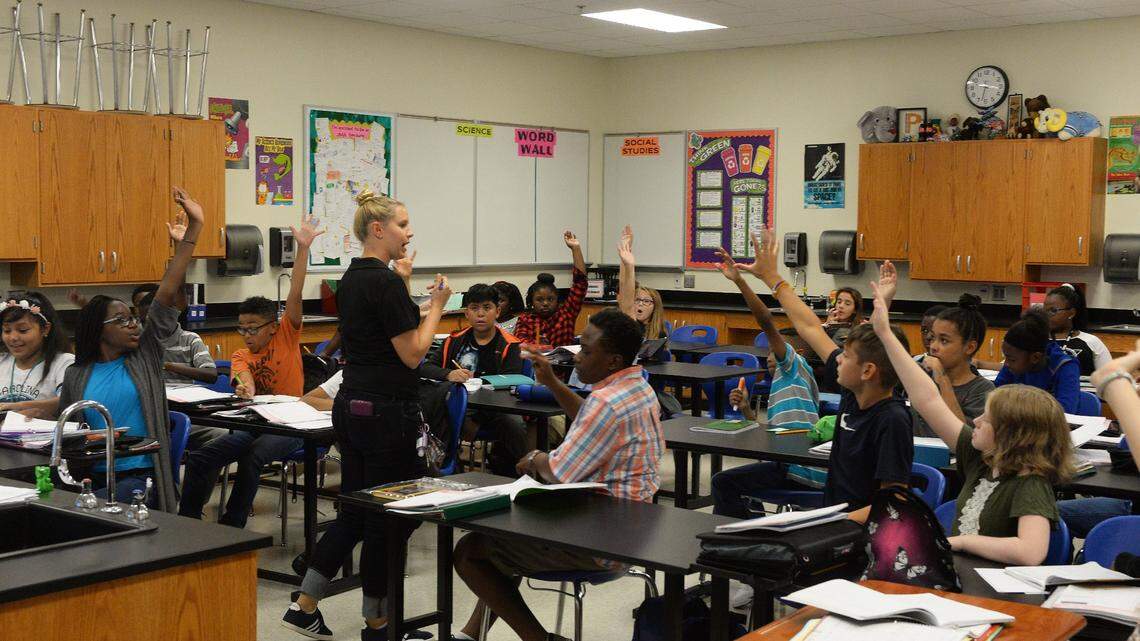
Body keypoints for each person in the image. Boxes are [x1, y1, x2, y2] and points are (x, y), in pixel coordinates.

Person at [282, 189, 452, 641]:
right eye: (402, 224)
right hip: (386, 416)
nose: (409, 232)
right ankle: (379, 624)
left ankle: (304, 605)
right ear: (378, 229)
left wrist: (407, 291)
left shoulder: (353, 277)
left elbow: (385, 333)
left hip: (353, 408)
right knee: (387, 519)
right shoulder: (386, 282)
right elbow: (413, 354)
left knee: (355, 512)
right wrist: (437, 307)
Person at [451, 309, 662, 641]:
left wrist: (535, 457)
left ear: (613, 360)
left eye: (586, 351)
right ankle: (471, 634)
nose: (577, 358)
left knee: (471, 550)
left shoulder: (606, 402)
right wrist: (551, 382)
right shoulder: (637, 386)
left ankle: (538, 639)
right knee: (504, 541)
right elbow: (590, 418)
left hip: (598, 541)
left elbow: (560, 472)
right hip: (632, 531)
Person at [872, 260, 1073, 565]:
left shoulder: (1031, 482)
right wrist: (884, 332)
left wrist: (962, 542)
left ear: (1013, 435)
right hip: (962, 576)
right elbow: (927, 399)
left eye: (987, 419)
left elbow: (1031, 552)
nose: (975, 420)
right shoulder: (980, 458)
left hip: (997, 588)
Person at [740, 230, 912, 523]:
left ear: (867, 371)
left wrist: (832, 524)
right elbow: (809, 327)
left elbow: (893, 504)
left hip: (855, 531)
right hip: (831, 516)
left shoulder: (892, 419)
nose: (837, 358)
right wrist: (772, 278)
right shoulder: (854, 395)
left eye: (846, 355)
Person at [56, 187, 202, 512]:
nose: (134, 325)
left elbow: (166, 295)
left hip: (139, 476)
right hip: (92, 476)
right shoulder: (76, 374)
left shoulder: (143, 357)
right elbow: (69, 435)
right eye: (122, 321)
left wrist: (192, 232)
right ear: (99, 330)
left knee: (94, 512)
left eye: (133, 318)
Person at [178, 212, 322, 528]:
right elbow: (244, 377)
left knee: (252, 456)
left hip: (291, 425)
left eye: (253, 328)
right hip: (257, 422)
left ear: (273, 326)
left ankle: (233, 526)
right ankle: (187, 523)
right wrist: (246, 387)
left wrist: (303, 249)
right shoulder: (241, 354)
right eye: (242, 328)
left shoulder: (286, 335)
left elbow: (296, 292)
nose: (246, 335)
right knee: (203, 457)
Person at [710, 246, 821, 519]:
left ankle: (744, 534)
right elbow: (770, 435)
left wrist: (739, 281)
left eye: (774, 351)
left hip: (801, 470)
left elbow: (766, 321)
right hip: (787, 464)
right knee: (737, 485)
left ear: (795, 353)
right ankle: (753, 527)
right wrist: (747, 410)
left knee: (723, 483)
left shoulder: (794, 367)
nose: (770, 357)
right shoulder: (784, 386)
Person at [420, 283, 527, 476]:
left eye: (487, 308)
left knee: (514, 424)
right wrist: (449, 374)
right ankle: (444, 468)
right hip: (457, 406)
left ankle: (519, 474)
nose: (481, 314)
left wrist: (481, 386)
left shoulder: (510, 344)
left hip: (495, 410)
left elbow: (512, 380)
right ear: (466, 313)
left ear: (497, 311)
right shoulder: (454, 341)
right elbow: (426, 367)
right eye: (474, 308)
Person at [911, 295, 994, 437]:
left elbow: (963, 438)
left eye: (944, 341)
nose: (933, 346)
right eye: (933, 338)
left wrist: (942, 378)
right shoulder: (921, 374)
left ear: (969, 347)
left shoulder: (982, 390)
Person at [0, 293, 73, 419]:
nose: (13, 337)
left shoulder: (64, 362)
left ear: (45, 329)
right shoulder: (2, 361)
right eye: (7, 330)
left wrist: (21, 406)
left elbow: (69, 401)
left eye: (23, 330)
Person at [994, 309, 1081, 414]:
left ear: (1035, 357)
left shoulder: (1065, 367)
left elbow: (1065, 412)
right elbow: (995, 397)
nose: (1006, 364)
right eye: (1006, 357)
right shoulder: (1012, 365)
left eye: (1011, 359)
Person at [513, 231, 587, 347]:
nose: (545, 303)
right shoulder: (525, 320)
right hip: (536, 358)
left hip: (563, 359)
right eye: (539, 299)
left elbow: (580, 283)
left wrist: (575, 248)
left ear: (557, 300)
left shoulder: (566, 314)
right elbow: (520, 341)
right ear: (531, 301)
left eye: (550, 299)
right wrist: (540, 346)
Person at [135, 290, 218, 386]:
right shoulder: (140, 341)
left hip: (182, 394)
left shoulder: (190, 340)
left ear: (170, 315)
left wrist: (167, 366)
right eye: (143, 322)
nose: (146, 326)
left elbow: (211, 375)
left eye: (153, 321)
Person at [1045, 284, 1110, 376]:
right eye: (1044, 310)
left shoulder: (1091, 342)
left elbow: (1110, 378)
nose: (1046, 315)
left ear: (1072, 313)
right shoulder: (1035, 340)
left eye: (1053, 310)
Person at [616, 225, 667, 339]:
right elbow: (624, 285)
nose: (640, 304)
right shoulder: (630, 325)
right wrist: (626, 259)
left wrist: (629, 264)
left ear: (655, 307)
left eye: (646, 301)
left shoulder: (659, 334)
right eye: (637, 299)